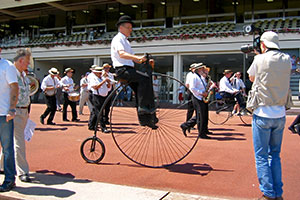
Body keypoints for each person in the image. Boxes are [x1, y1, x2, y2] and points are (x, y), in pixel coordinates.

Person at [247, 31, 291, 200]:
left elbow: (251, 77)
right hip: (280, 113)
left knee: (261, 156)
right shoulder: (287, 59)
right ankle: (278, 193)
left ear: (263, 45)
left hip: (262, 112)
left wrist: (259, 56)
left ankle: (268, 193)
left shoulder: (259, 59)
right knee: (275, 155)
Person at [111, 15, 157, 129]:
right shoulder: (118, 39)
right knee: (144, 79)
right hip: (122, 70)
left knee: (140, 90)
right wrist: (137, 58)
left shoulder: (126, 41)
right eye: (128, 27)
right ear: (121, 27)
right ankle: (144, 110)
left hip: (129, 69)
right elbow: (122, 54)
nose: (131, 30)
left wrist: (144, 61)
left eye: (131, 28)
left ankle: (146, 118)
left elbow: (131, 58)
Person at [3, 49, 32, 183]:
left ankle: (2, 165)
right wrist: (12, 109)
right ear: (20, 61)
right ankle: (23, 171)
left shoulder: (23, 75)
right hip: (15, 111)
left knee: (9, 141)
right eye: (26, 62)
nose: (28, 65)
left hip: (23, 111)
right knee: (18, 142)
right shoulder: (11, 72)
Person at [0, 47, 18, 192]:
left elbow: (14, 87)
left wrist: (12, 108)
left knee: (7, 148)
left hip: (3, 113)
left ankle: (9, 179)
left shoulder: (8, 66)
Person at [180, 64, 212, 139]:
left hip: (200, 97)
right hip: (197, 97)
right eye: (202, 69)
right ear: (198, 69)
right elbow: (192, 88)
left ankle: (186, 125)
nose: (203, 70)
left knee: (201, 115)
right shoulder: (194, 77)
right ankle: (201, 133)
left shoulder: (199, 77)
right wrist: (202, 93)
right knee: (200, 115)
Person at [88, 66, 111, 133]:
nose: (100, 74)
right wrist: (104, 81)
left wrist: (108, 82)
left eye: (101, 73)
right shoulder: (93, 78)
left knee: (96, 111)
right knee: (100, 112)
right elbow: (95, 87)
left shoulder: (102, 78)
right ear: (95, 73)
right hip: (97, 96)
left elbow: (108, 87)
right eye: (99, 73)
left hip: (103, 96)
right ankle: (103, 128)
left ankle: (91, 125)